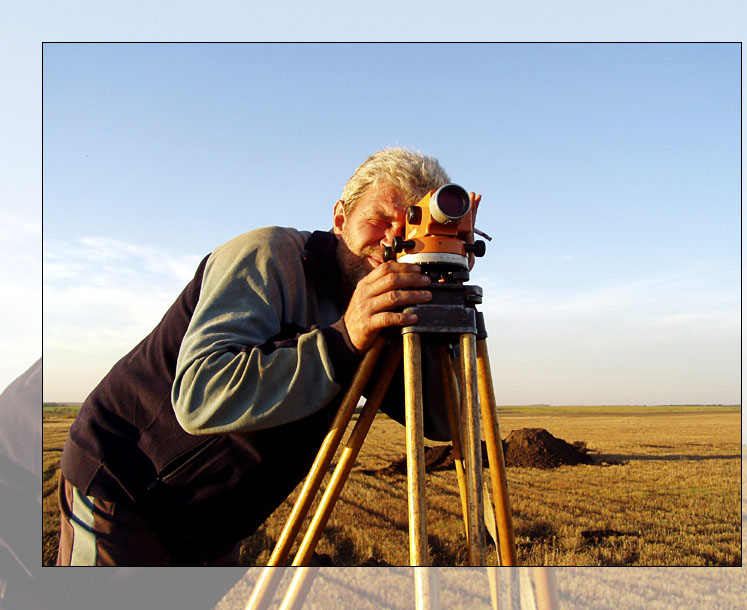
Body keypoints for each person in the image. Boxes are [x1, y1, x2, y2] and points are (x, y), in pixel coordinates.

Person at [57, 147, 464, 566]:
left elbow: (442, 422)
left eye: (411, 230)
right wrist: (344, 339)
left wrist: (437, 323)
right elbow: (201, 394)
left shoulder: (385, 305)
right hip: (124, 492)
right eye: (378, 221)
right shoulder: (268, 256)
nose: (391, 242)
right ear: (341, 218)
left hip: (213, 522)